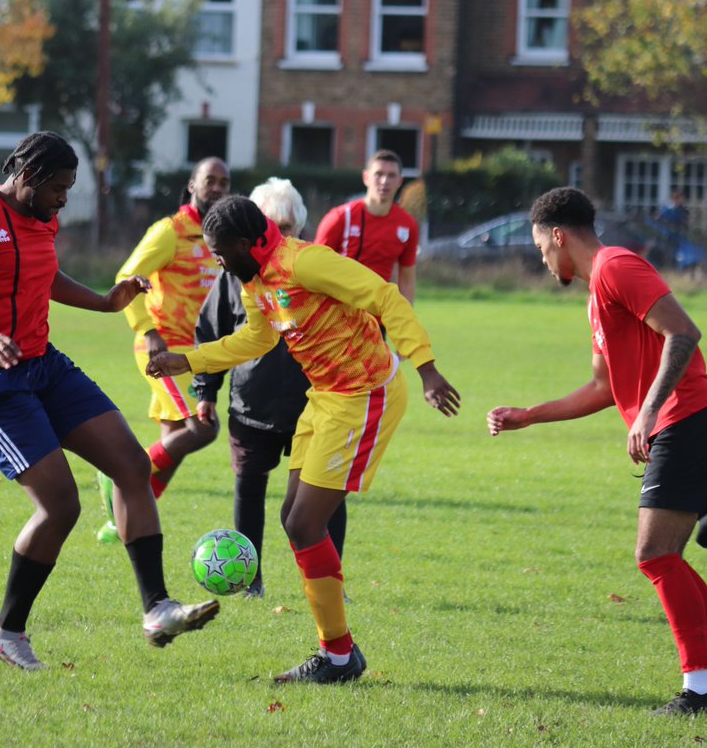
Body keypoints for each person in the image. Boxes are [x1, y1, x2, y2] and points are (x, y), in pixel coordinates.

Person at [0, 131, 219, 671]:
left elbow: (43, 275)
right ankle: (5, 631)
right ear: (26, 177)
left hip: (43, 364)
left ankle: (157, 609)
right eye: (58, 187)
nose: (64, 199)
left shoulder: (42, 218)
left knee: (132, 465)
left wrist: (105, 302)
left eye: (70, 188)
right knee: (61, 507)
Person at [147, 195, 460, 684]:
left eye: (221, 251)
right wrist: (189, 359)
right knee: (295, 521)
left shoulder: (305, 262)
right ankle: (337, 653)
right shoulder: (253, 281)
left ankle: (338, 655)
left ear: (248, 243)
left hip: (365, 393)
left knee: (307, 523)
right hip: (325, 397)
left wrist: (428, 368)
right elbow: (258, 339)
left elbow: (386, 297)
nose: (216, 261)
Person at [488, 186, 707, 716]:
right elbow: (603, 389)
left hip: (688, 419)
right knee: (666, 555)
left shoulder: (615, 267)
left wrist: (652, 410)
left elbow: (683, 333)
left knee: (655, 553)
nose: (542, 260)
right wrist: (529, 415)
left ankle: (699, 690)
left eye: (542, 248)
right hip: (679, 423)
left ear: (559, 236)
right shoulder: (596, 293)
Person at [192, 178, 347, 600]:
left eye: (288, 226)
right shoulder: (233, 276)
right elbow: (212, 332)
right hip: (252, 401)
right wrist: (205, 392)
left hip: (314, 402)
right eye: (272, 225)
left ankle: (331, 580)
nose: (278, 236)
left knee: (326, 496)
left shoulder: (312, 266)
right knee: (250, 487)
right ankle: (248, 580)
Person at [96, 157, 231, 543]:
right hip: (164, 348)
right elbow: (126, 278)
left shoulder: (220, 236)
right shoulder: (170, 231)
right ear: (192, 185)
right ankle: (119, 477)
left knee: (175, 438)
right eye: (210, 180)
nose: (217, 187)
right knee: (203, 428)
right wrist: (147, 328)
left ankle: (122, 519)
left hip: (197, 354)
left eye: (224, 181)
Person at [315, 149, 419, 304]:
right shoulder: (341, 218)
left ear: (400, 181)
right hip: (341, 315)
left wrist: (406, 321)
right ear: (366, 177)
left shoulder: (408, 225)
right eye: (379, 174)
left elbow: (407, 280)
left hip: (378, 316)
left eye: (391, 175)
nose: (384, 181)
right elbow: (315, 268)